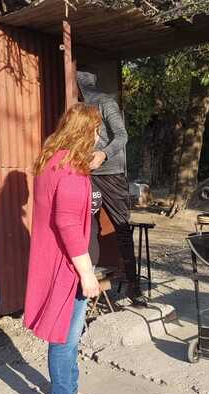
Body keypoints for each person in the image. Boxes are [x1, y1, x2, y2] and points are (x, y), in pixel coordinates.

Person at [24, 103, 107, 394]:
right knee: (64, 338)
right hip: (65, 268)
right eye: (96, 130)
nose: (99, 136)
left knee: (68, 336)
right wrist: (87, 273)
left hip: (54, 262)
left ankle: (70, 390)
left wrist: (94, 160)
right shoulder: (71, 169)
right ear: (85, 132)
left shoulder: (53, 160)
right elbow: (69, 224)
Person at [77, 69, 148, 306]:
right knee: (85, 226)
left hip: (111, 174)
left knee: (121, 228)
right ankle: (86, 282)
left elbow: (122, 136)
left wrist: (103, 154)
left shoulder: (105, 102)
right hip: (85, 174)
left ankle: (133, 287)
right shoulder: (76, 106)